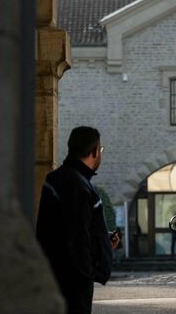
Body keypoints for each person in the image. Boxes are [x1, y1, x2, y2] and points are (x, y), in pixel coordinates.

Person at [37, 126, 120, 314]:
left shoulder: (55, 179)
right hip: (73, 284)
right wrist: (86, 274)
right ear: (94, 151)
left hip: (55, 276)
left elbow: (63, 228)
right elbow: (76, 236)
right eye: (100, 150)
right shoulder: (80, 187)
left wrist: (101, 242)